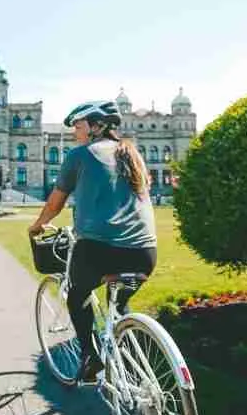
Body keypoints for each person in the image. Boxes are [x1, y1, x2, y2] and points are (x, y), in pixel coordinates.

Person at [27, 100, 157, 384]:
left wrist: (37, 227)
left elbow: (54, 205)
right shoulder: (132, 154)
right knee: (119, 304)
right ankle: (130, 363)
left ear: (97, 126)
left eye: (78, 125)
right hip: (146, 252)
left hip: (98, 249)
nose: (75, 132)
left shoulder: (79, 155)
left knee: (77, 295)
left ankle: (90, 358)